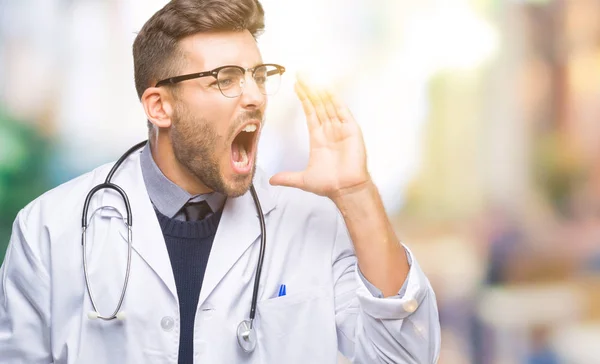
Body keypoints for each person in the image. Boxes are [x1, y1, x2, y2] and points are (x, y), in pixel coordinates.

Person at [0, 0, 441, 363]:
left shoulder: (311, 223)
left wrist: (356, 193)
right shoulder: (50, 230)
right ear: (159, 107)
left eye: (258, 75)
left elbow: (404, 356)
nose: (254, 96)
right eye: (225, 79)